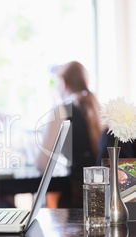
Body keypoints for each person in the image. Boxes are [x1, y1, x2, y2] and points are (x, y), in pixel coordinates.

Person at [36, 61, 104, 208]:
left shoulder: (62, 111)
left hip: (77, 198)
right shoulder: (100, 109)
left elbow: (42, 164)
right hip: (100, 198)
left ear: (63, 83)